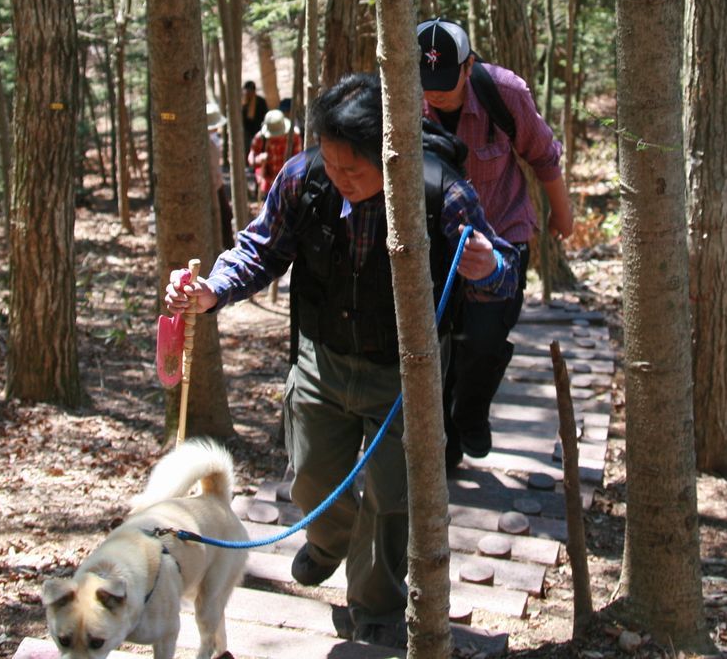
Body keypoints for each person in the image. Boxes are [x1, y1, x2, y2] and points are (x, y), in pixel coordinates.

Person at [164, 72, 519, 648]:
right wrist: (212, 291)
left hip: (404, 375)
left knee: (388, 498)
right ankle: (328, 540)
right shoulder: (302, 179)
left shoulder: (439, 192)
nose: (340, 179)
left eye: (354, 169)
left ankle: (374, 604)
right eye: (331, 163)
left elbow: (497, 269)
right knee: (308, 477)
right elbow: (261, 248)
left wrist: (490, 267)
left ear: (390, 152)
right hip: (320, 360)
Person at [416, 17, 575, 467]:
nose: (435, 94)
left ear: (469, 66)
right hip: (435, 249)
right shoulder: (401, 97)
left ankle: (471, 413)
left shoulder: (504, 93)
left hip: (501, 237)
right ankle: (443, 445)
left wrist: (562, 214)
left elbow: (543, 154)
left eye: (446, 82)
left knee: (483, 342)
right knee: (436, 345)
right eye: (427, 82)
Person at [247, 108, 301, 199]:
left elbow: (298, 161)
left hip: (288, 181)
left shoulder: (294, 137)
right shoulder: (260, 138)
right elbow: (251, 158)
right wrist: (259, 159)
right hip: (267, 182)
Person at [207, 101, 235, 250]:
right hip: (213, 188)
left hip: (217, 185)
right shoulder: (208, 144)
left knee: (226, 217)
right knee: (224, 218)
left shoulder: (213, 140)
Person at [241, 80, 269, 157]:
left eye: (250, 92)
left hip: (258, 129)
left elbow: (265, 115)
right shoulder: (243, 103)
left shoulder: (261, 102)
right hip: (247, 132)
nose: (248, 94)